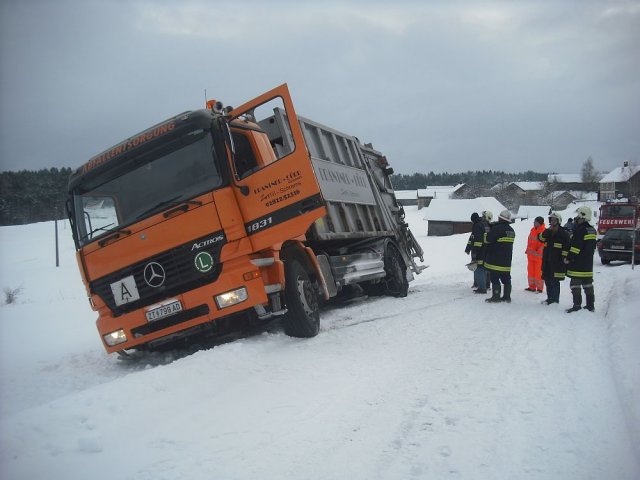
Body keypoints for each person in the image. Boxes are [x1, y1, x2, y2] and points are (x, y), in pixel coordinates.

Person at [564, 206, 597, 312]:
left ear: (583, 216)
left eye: (578, 217)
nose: (576, 219)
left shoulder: (580, 230)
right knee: (588, 284)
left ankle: (577, 305)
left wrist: (569, 258)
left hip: (578, 263)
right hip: (588, 263)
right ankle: (590, 305)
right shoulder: (592, 230)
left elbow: (575, 247)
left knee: (575, 285)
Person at [538, 212, 571, 305]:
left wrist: (563, 259)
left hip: (558, 263)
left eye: (554, 220)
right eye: (551, 220)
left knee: (555, 281)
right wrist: (546, 232)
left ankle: (555, 300)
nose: (552, 222)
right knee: (547, 280)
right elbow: (540, 239)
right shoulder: (548, 232)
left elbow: (567, 248)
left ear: (558, 221)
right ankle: (550, 298)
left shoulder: (564, 234)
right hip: (547, 261)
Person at [484, 210, 515, 303]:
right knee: (506, 279)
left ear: (501, 218)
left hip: (496, 259)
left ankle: (496, 297)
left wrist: (487, 231)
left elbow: (487, 239)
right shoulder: (511, 230)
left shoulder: (497, 228)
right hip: (507, 260)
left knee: (495, 278)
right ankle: (507, 297)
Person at [472, 210, 493, 294]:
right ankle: (486, 285)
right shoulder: (490, 226)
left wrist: (474, 252)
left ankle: (482, 288)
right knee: (485, 269)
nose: (482, 217)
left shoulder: (479, 226)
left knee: (479, 269)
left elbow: (477, 240)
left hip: (480, 250)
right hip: (488, 250)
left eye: (483, 216)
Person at [525, 216, 546, 292]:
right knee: (531, 272)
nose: (534, 223)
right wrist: (527, 250)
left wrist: (538, 251)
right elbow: (530, 241)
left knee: (538, 273)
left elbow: (544, 245)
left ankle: (540, 288)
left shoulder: (544, 231)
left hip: (538, 257)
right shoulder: (532, 230)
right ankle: (532, 287)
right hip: (530, 256)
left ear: (539, 223)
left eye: (536, 222)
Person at [465, 212, 481, 288]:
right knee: (479, 266)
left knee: (476, 266)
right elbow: (472, 238)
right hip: (480, 249)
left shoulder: (477, 226)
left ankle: (477, 283)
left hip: (477, 250)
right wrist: (468, 248)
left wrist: (470, 249)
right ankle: (479, 283)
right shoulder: (480, 224)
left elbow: (473, 239)